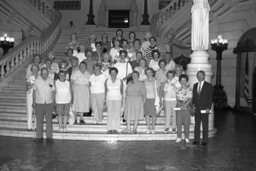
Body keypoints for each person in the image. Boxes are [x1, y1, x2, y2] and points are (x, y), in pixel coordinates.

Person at [33, 68, 55, 143]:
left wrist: (53, 102)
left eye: (46, 73)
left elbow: (53, 92)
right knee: (39, 120)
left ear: (48, 73)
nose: (44, 75)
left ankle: (49, 136)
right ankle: (39, 136)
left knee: (49, 121)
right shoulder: (37, 81)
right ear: (40, 73)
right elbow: (34, 92)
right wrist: (33, 102)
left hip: (49, 102)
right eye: (43, 73)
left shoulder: (51, 81)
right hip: (39, 102)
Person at [192, 70, 213, 146]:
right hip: (197, 108)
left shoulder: (208, 85)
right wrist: (193, 106)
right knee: (197, 125)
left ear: (204, 76)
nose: (199, 77)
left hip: (205, 109)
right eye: (198, 75)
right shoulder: (195, 85)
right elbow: (194, 97)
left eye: (201, 75)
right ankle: (196, 140)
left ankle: (205, 141)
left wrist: (208, 108)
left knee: (205, 125)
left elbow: (210, 98)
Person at [105, 67, 124, 134]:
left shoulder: (120, 81)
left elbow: (121, 91)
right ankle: (109, 128)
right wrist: (105, 99)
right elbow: (106, 90)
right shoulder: (107, 80)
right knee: (110, 113)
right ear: (110, 73)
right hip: (109, 98)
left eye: (114, 72)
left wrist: (120, 99)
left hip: (118, 98)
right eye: (111, 72)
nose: (113, 74)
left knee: (117, 114)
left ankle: (116, 128)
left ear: (116, 73)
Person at [176, 74, 193, 143]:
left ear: (187, 81)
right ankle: (179, 137)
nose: (183, 82)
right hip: (179, 105)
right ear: (180, 81)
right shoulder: (178, 89)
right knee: (179, 122)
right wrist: (180, 105)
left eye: (184, 80)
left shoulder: (190, 89)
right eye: (181, 80)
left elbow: (190, 99)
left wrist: (184, 106)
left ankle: (187, 137)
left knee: (186, 122)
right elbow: (177, 98)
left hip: (187, 105)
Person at [144, 68, 161, 134]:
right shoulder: (144, 81)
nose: (148, 74)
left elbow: (159, 91)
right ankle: (148, 127)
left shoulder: (156, 81)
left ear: (152, 73)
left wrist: (160, 100)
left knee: (154, 114)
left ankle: (153, 127)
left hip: (154, 99)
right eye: (147, 73)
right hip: (146, 98)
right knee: (147, 114)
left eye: (149, 72)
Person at [26, 64, 39, 131]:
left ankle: (36, 126)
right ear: (31, 70)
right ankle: (29, 126)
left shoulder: (40, 77)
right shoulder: (29, 77)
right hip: (30, 95)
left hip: (38, 96)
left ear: (38, 69)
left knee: (37, 112)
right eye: (33, 69)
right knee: (29, 110)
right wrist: (35, 83)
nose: (34, 70)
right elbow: (28, 87)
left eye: (36, 68)